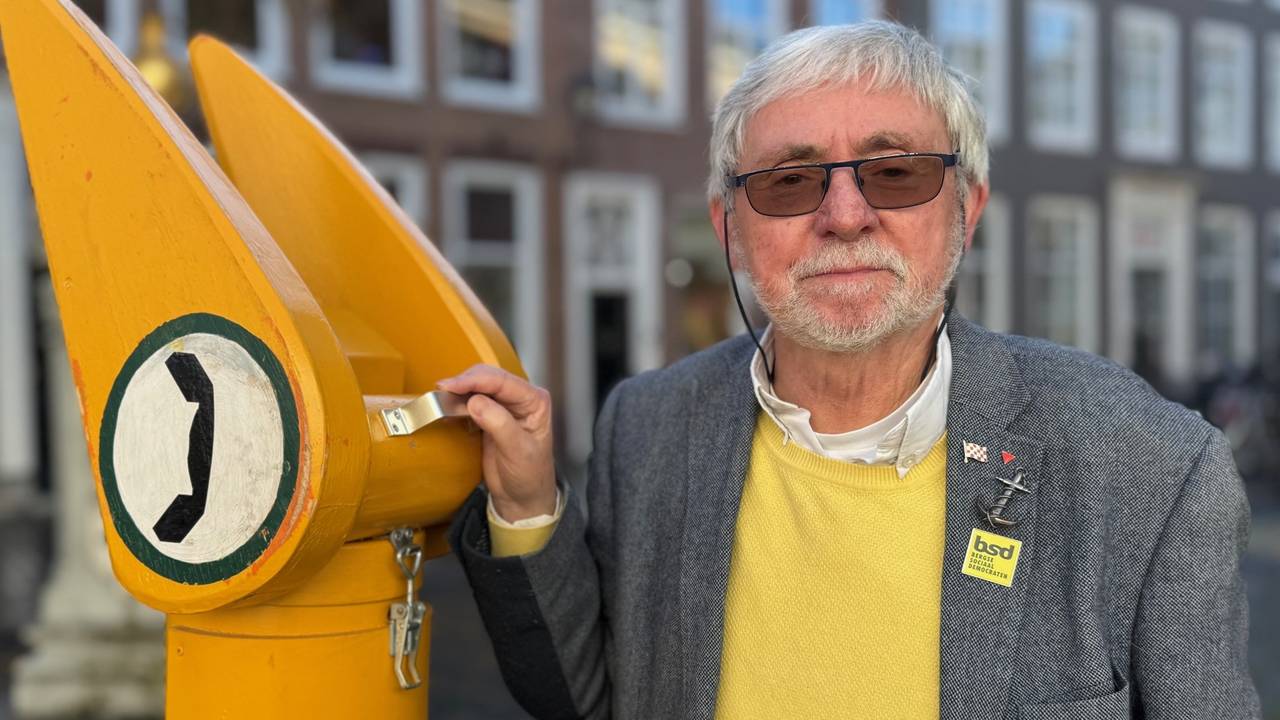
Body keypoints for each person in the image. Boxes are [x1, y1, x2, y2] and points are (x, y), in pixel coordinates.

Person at [439, 21, 1260, 720]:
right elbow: (584, 695)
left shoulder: (1151, 469)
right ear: (729, 230)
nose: (843, 215)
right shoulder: (649, 425)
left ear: (965, 209)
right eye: (790, 181)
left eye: (894, 171)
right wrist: (524, 504)